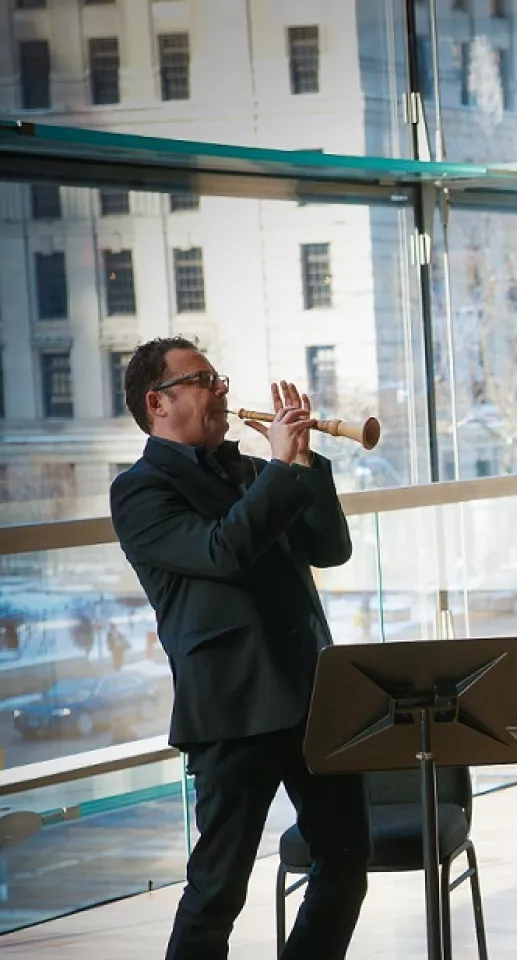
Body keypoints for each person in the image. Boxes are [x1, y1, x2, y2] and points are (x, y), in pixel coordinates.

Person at [108, 337, 369, 960]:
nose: (220, 389)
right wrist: (279, 471)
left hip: (311, 696)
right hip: (233, 712)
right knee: (219, 889)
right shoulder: (139, 491)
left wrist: (301, 463)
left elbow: (331, 550)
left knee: (348, 862)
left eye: (218, 377)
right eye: (201, 380)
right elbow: (222, 552)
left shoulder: (251, 470)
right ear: (157, 402)